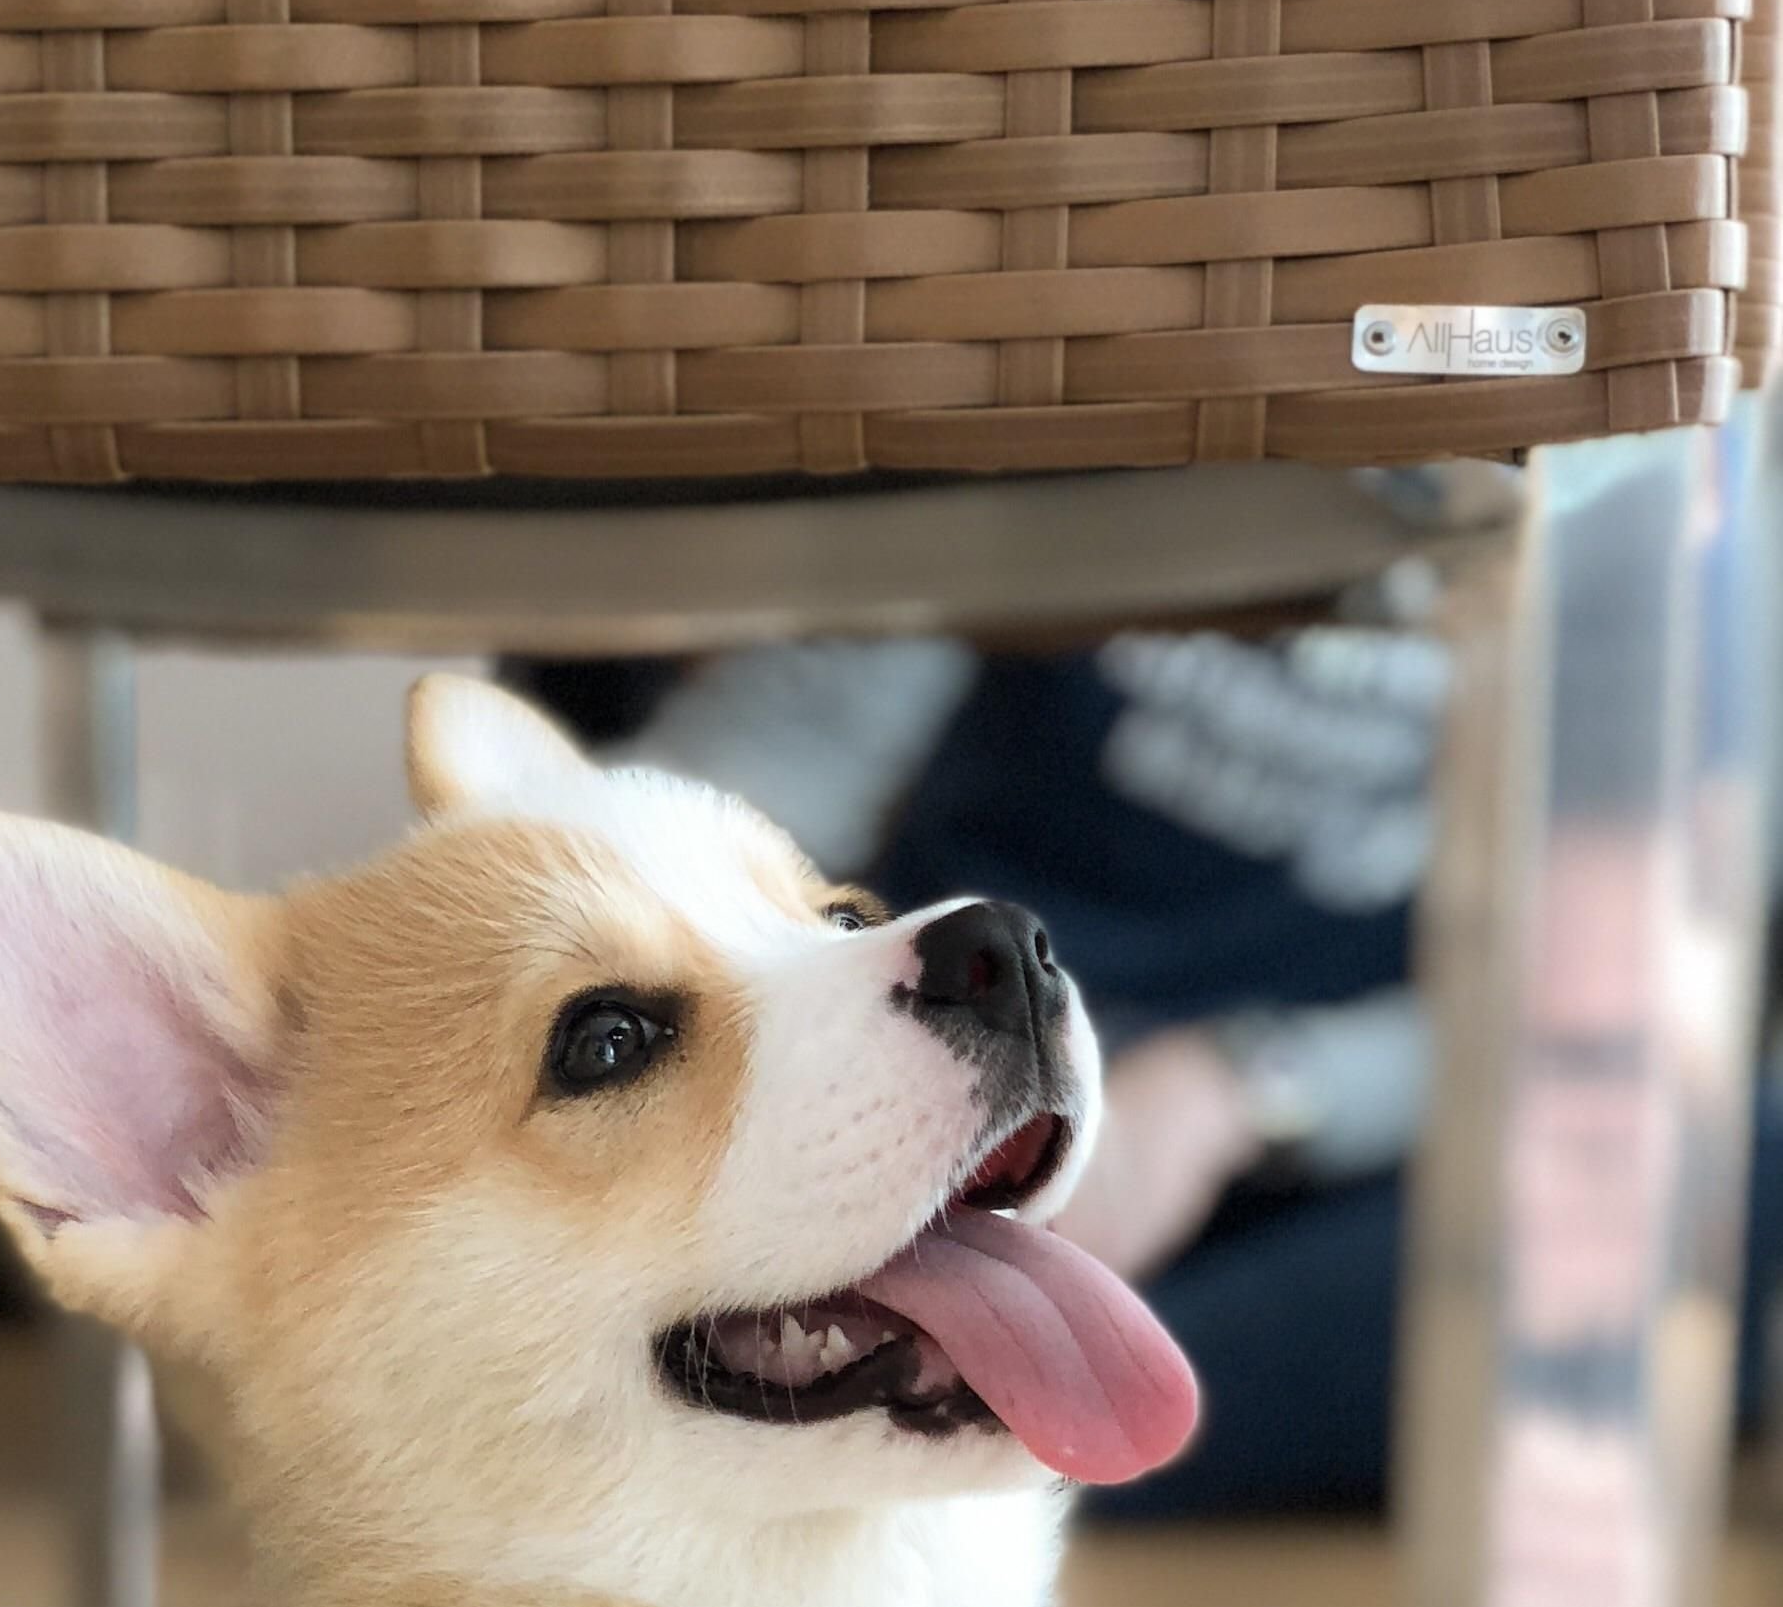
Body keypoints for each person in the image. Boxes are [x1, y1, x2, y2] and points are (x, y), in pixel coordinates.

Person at [522, 618, 1781, 1517]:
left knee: (1730, 1167)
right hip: (934, 1115)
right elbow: (746, 784)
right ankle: (1001, 1423)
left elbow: (1619, 998)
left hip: (1335, 1166)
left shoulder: (1662, 526)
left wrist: (1239, 1090)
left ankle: (983, 1420)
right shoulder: (1066, 395)